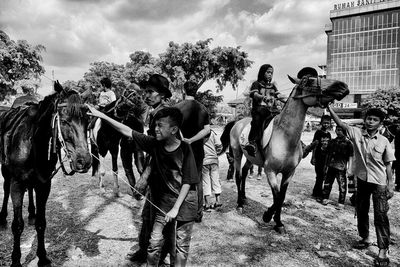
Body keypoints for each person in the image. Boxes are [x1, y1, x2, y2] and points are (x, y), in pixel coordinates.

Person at [87, 106, 199, 267]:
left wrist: (175, 209)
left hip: (185, 204)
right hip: (163, 204)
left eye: (160, 125)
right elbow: (127, 130)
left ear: (174, 129)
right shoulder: (154, 144)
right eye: (155, 124)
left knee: (180, 247)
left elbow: (188, 181)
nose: (155, 128)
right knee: (154, 243)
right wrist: (102, 116)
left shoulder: (185, 149)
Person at [328, 106, 395, 267]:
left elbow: (388, 165)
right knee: (361, 210)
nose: (370, 122)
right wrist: (329, 107)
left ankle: (383, 250)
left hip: (379, 183)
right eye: (369, 119)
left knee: (380, 215)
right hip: (362, 181)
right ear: (365, 120)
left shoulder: (384, 141)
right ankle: (365, 238)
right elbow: (341, 124)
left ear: (380, 124)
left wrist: (390, 184)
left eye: (375, 120)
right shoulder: (356, 133)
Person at [128, 74, 172, 263]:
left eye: (151, 92)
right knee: (147, 215)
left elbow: (158, 150)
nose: (147, 95)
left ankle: (159, 255)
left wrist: (144, 177)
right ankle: (144, 250)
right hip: (158, 171)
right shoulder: (154, 112)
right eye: (145, 91)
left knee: (156, 217)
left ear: (162, 95)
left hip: (163, 174)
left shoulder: (163, 115)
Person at [175, 81, 211, 222]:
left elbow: (173, 127)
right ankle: (198, 213)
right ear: (196, 91)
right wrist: (192, 140)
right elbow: (207, 130)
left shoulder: (177, 107)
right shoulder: (202, 108)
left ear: (184, 90)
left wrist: (185, 139)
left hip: (179, 149)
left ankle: (181, 210)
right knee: (198, 180)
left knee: (180, 179)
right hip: (197, 150)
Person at [244, 64, 285, 157]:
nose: (270, 74)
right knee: (257, 122)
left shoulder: (273, 86)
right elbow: (254, 94)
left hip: (271, 111)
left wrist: (289, 99)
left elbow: (279, 96)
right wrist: (263, 97)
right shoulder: (256, 84)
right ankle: (252, 142)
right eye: (268, 72)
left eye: (271, 73)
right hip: (258, 110)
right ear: (262, 73)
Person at [320, 126, 354, 208]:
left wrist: (350, 168)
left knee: (342, 185)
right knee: (327, 183)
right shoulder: (332, 141)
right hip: (331, 165)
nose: (338, 132)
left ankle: (341, 202)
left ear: (345, 132)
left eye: (340, 130)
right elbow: (327, 153)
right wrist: (323, 147)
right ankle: (325, 198)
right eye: (337, 130)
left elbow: (351, 156)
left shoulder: (348, 143)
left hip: (341, 167)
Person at [304, 115, 332, 200]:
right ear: (321, 123)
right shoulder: (318, 133)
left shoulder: (329, 134)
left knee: (324, 175)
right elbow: (314, 145)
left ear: (330, 124)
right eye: (324, 123)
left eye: (328, 123)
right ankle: (317, 193)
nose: (326, 125)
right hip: (318, 156)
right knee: (319, 175)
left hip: (326, 158)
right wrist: (313, 157)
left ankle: (317, 192)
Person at [202, 129, 222, 210]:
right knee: (215, 179)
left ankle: (207, 203)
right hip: (214, 160)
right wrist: (216, 153)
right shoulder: (212, 133)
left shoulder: (199, 134)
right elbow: (219, 145)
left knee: (205, 181)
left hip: (204, 161)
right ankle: (218, 201)